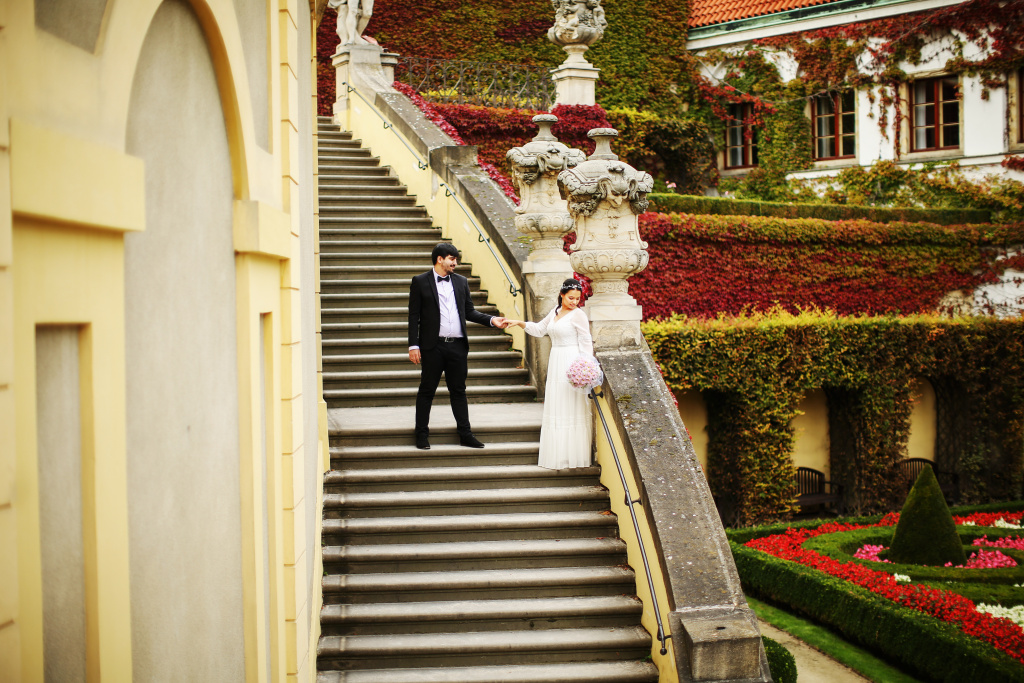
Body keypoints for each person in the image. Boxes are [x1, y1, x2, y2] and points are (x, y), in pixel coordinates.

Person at [408, 243, 507, 450]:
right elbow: (414, 316)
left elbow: (469, 311)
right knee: (427, 390)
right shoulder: (420, 281)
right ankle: (421, 434)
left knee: (459, 391)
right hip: (432, 346)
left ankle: (465, 434)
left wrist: (491, 320)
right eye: (452, 259)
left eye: (456, 259)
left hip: (457, 347)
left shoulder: (461, 281)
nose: (455, 263)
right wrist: (413, 345)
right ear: (440, 259)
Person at [507, 279, 594, 469]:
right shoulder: (555, 311)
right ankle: (558, 455)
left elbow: (586, 341)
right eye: (571, 298)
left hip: (572, 361)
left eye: (577, 298)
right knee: (557, 403)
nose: (574, 302)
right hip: (556, 361)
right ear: (562, 295)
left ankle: (573, 455)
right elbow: (539, 329)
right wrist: (519, 323)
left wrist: (585, 367)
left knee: (570, 405)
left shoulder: (579, 315)